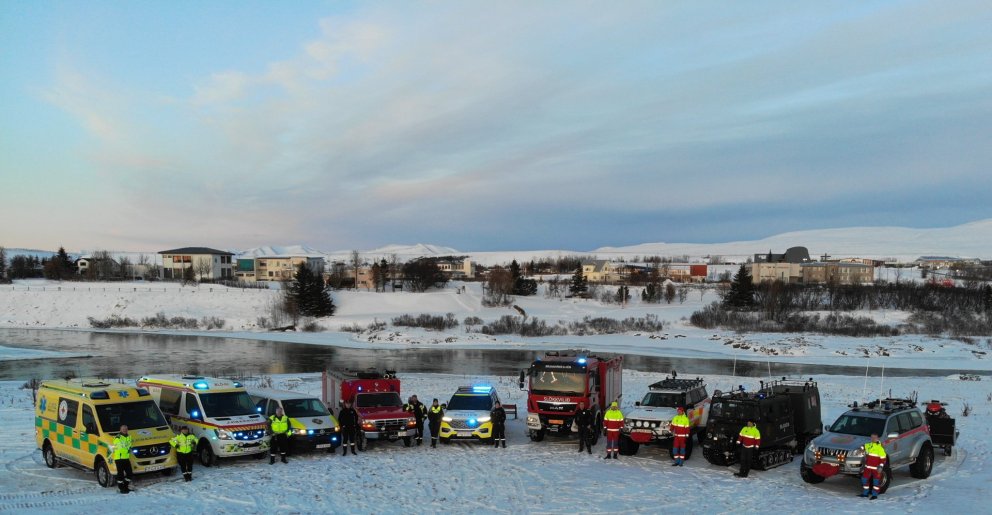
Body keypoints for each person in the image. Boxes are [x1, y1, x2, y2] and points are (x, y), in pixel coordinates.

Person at [861, 433, 887, 500]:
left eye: (874, 437)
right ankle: (865, 493)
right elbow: (863, 446)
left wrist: (881, 466)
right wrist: (862, 448)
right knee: (864, 480)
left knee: (876, 482)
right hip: (868, 467)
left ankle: (874, 495)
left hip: (876, 468)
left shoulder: (880, 447)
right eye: (872, 437)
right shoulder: (869, 445)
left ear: (877, 438)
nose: (873, 439)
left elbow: (883, 458)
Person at [111, 425, 134, 494]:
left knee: (130, 473)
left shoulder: (129, 436)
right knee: (120, 474)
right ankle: (121, 488)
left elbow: (129, 445)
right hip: (119, 458)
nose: (125, 430)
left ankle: (125, 486)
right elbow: (120, 448)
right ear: (120, 430)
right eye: (123, 429)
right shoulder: (118, 437)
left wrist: (130, 448)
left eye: (126, 429)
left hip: (126, 458)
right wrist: (128, 450)